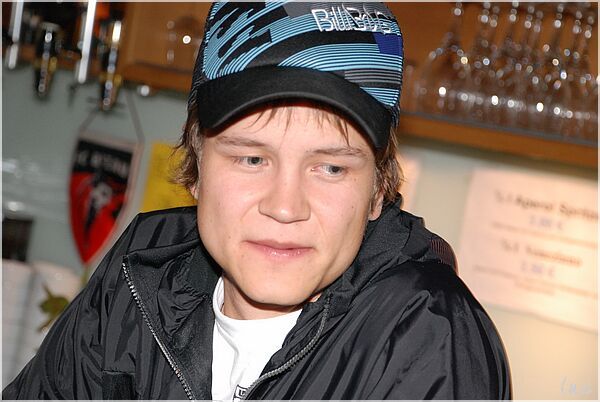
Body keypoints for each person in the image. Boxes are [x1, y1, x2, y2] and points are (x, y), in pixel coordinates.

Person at [3, 2, 511, 400]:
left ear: (378, 189)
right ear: (197, 167)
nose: (285, 207)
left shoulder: (427, 334)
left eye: (331, 168)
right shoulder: (142, 269)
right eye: (251, 159)